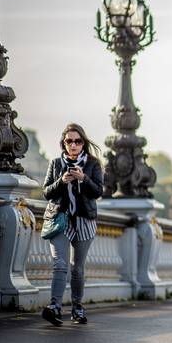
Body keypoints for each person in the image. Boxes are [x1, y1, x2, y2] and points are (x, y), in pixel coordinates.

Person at [40, 123, 104, 326]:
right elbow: (47, 192)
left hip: (84, 222)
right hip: (60, 220)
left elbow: (98, 192)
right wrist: (61, 181)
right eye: (69, 141)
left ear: (83, 143)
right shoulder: (56, 163)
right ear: (64, 143)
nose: (74, 145)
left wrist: (83, 178)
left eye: (78, 141)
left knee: (77, 269)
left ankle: (77, 308)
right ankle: (55, 307)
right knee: (60, 264)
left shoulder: (93, 164)